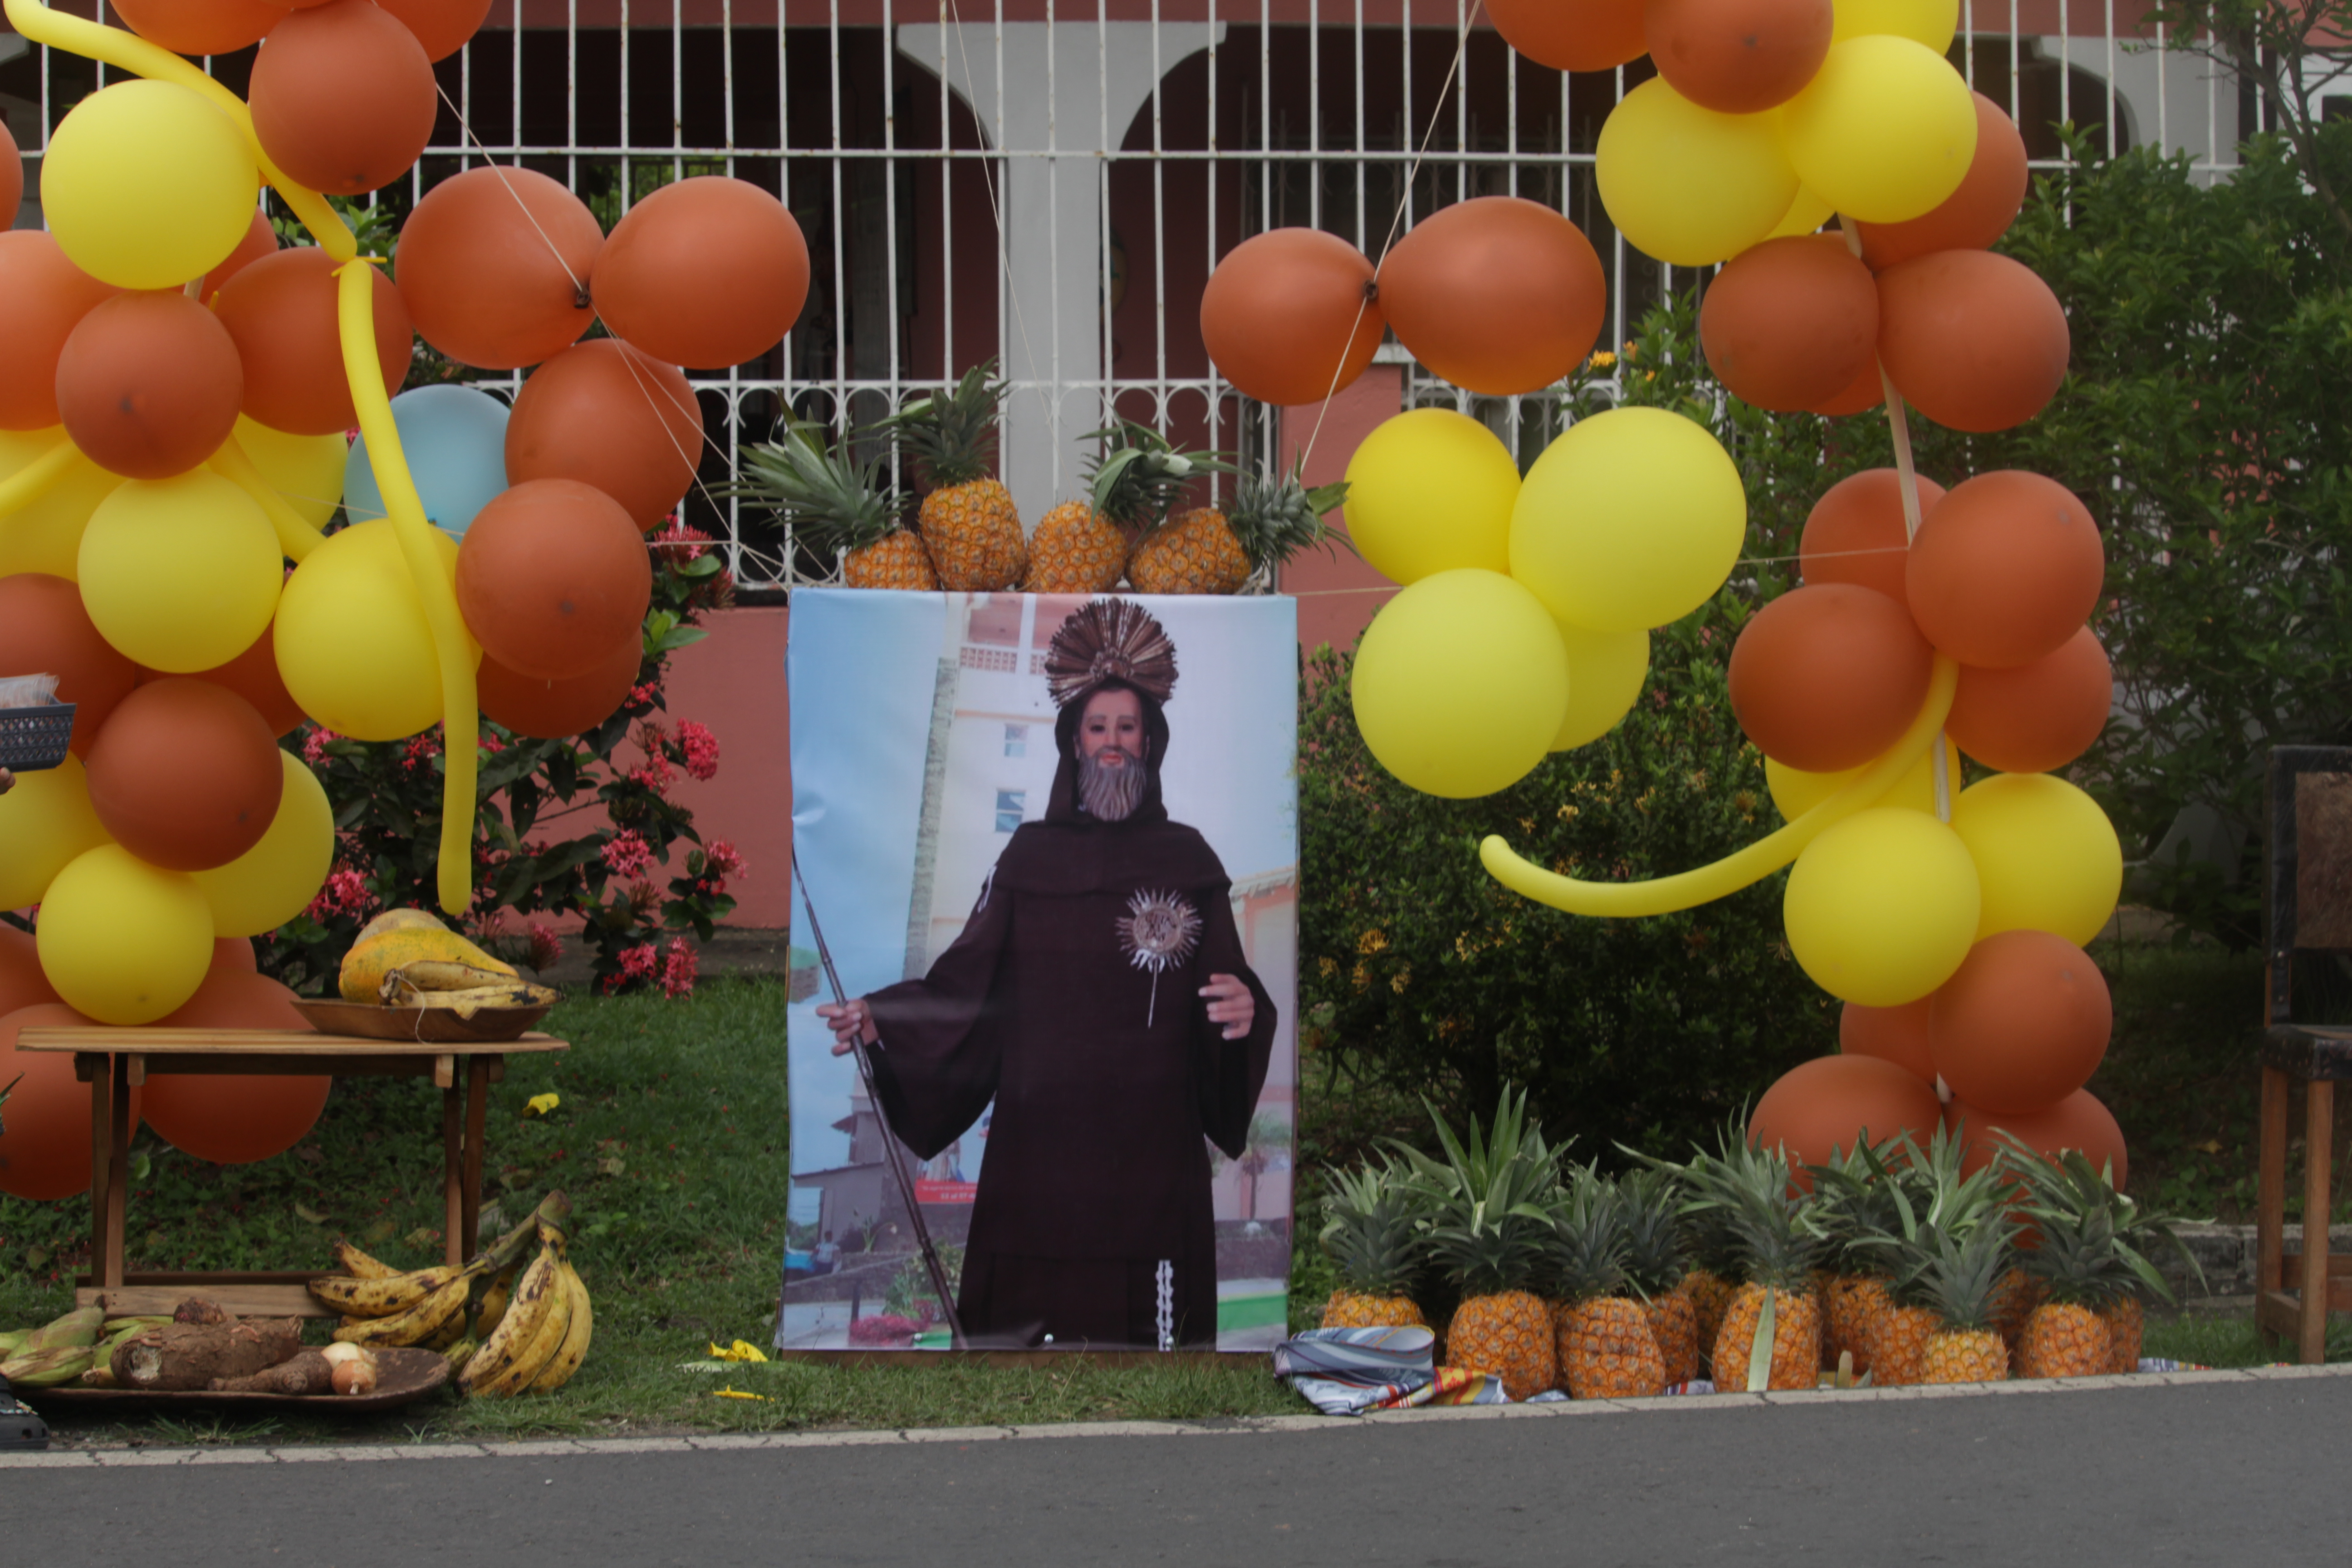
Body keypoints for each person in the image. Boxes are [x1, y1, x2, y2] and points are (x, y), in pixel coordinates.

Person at [818, 599, 1276, 1351]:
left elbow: (1229, 984)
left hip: (1150, 1140)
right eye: (1098, 728)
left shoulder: (1188, 859)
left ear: (1149, 742)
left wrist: (1246, 1008)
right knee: (1022, 1330)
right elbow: (966, 980)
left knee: (1150, 1337)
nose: (1112, 743)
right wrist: (884, 1018)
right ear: (1073, 741)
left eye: (1126, 728)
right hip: (1040, 1138)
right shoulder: (1028, 856)